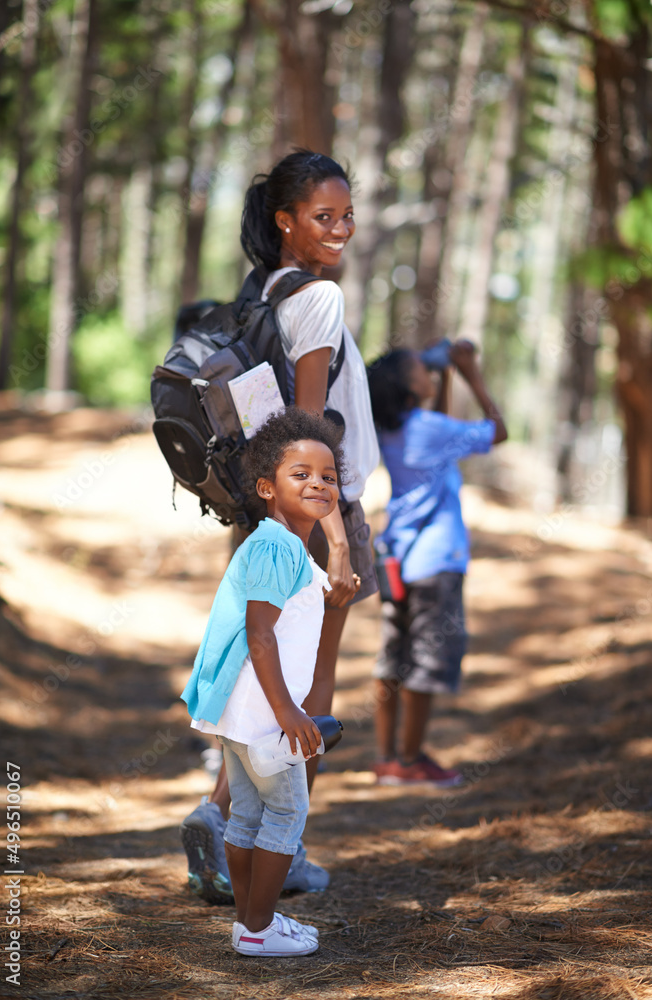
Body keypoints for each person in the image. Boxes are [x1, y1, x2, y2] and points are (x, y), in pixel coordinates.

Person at [180, 149, 380, 902]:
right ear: (285, 221)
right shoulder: (318, 299)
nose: (339, 230)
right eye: (322, 217)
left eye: (346, 216)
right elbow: (305, 429)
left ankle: (225, 819)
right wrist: (331, 536)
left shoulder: (260, 292)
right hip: (312, 514)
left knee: (263, 685)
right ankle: (278, 848)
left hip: (264, 509)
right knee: (310, 693)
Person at [181, 407, 346, 955]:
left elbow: (289, 612)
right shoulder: (278, 546)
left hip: (241, 708)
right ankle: (259, 926)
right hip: (263, 709)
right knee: (288, 810)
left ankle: (251, 926)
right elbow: (261, 635)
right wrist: (288, 713)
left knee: (248, 811)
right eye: (300, 474)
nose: (318, 483)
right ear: (266, 487)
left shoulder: (279, 543)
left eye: (328, 476)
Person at [366, 340, 507, 786]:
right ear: (408, 388)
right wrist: (469, 373)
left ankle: (389, 756)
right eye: (419, 369)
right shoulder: (430, 428)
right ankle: (411, 762)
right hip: (436, 561)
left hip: (396, 558)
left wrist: (442, 373)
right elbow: (496, 431)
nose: (427, 372)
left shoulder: (393, 427)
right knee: (426, 662)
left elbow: (437, 420)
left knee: (394, 658)